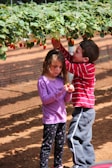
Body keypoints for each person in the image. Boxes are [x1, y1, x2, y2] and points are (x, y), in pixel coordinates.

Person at [52, 38, 99, 168]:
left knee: (72, 137)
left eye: (77, 51)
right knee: (84, 140)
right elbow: (70, 59)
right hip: (86, 110)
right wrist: (59, 47)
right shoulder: (85, 65)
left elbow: (68, 64)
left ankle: (81, 165)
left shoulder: (87, 69)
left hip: (83, 111)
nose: (74, 53)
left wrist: (57, 51)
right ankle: (88, 163)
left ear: (85, 59)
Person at [37, 49, 74, 168]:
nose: (57, 70)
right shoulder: (42, 81)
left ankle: (58, 165)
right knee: (47, 145)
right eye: (54, 66)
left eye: (59, 67)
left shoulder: (60, 81)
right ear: (47, 64)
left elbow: (66, 100)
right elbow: (45, 100)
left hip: (61, 118)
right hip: (50, 120)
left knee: (60, 144)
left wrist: (69, 92)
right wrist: (61, 90)